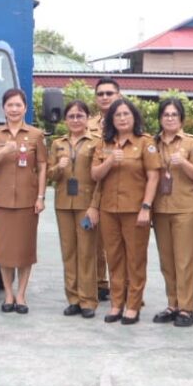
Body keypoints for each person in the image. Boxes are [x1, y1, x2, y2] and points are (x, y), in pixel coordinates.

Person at [90, 97, 159, 324]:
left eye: (126, 114)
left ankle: (133, 304)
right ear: (111, 119)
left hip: (135, 210)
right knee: (114, 258)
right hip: (109, 209)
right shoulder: (104, 143)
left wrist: (146, 207)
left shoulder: (145, 142)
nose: (121, 118)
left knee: (136, 259)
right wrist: (110, 160)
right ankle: (116, 303)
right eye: (117, 115)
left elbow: (153, 176)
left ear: (134, 117)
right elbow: (95, 175)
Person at [0, 88, 47, 314]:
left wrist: (40, 196)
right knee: (5, 251)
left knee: (25, 250)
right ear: (3, 108)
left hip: (28, 201)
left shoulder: (36, 135)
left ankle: (21, 294)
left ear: (25, 108)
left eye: (18, 105)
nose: (14, 109)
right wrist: (4, 151)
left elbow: (42, 166)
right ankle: (8, 293)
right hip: (1, 202)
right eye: (9, 105)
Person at [152, 97, 193, 327]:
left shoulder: (191, 143)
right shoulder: (152, 143)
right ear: (160, 118)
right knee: (166, 260)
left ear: (181, 119)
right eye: (165, 115)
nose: (169, 119)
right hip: (160, 208)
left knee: (185, 259)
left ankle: (187, 308)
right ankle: (172, 303)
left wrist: (183, 164)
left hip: (185, 207)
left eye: (174, 115)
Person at [50, 100, 102, 319]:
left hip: (86, 205)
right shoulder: (57, 144)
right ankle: (72, 299)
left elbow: (100, 180)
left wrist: (95, 206)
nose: (75, 120)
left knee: (87, 252)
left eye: (80, 116)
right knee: (68, 252)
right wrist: (58, 168)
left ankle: (88, 300)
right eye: (71, 116)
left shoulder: (96, 142)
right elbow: (50, 176)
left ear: (87, 118)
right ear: (65, 120)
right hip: (63, 204)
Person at [89, 78, 122, 305]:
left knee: (120, 242)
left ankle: (123, 286)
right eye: (100, 93)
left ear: (119, 95)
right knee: (95, 240)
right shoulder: (87, 124)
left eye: (109, 93)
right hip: (91, 188)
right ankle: (100, 283)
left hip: (120, 189)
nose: (105, 97)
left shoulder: (128, 122)